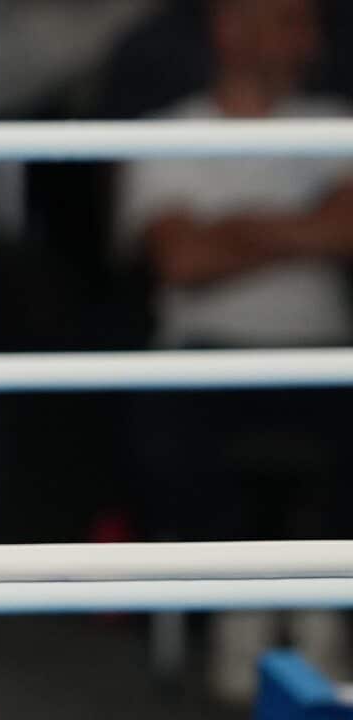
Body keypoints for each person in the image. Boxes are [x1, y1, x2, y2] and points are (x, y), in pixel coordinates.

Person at [114, 0, 353, 704]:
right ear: (229, 27)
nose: (308, 36)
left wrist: (233, 232)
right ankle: (238, 614)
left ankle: (322, 609)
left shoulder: (336, 119)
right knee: (173, 435)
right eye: (289, 18)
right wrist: (308, 222)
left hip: (327, 358)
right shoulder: (168, 133)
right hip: (201, 359)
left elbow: (348, 233)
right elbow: (181, 259)